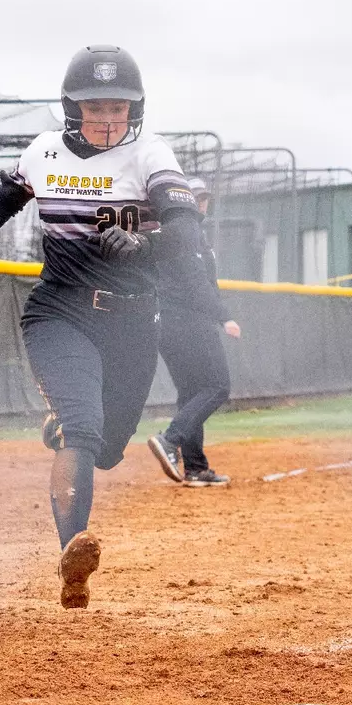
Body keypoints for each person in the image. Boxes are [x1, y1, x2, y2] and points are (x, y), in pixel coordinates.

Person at [0, 45, 222, 609]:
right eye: (96, 107)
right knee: (84, 427)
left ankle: (65, 435)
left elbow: (186, 230)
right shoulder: (45, 152)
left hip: (133, 321)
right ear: (72, 108)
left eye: (118, 107)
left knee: (107, 449)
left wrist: (145, 242)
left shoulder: (151, 155)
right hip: (60, 311)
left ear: (134, 109)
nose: (108, 118)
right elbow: (3, 201)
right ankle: (73, 554)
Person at [147, 176, 239, 487]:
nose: (202, 202)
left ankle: (196, 467)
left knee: (191, 393)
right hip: (190, 321)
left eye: (204, 197)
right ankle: (170, 440)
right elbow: (195, 283)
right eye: (196, 197)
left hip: (169, 323)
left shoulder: (172, 231)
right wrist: (223, 316)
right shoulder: (187, 233)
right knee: (217, 387)